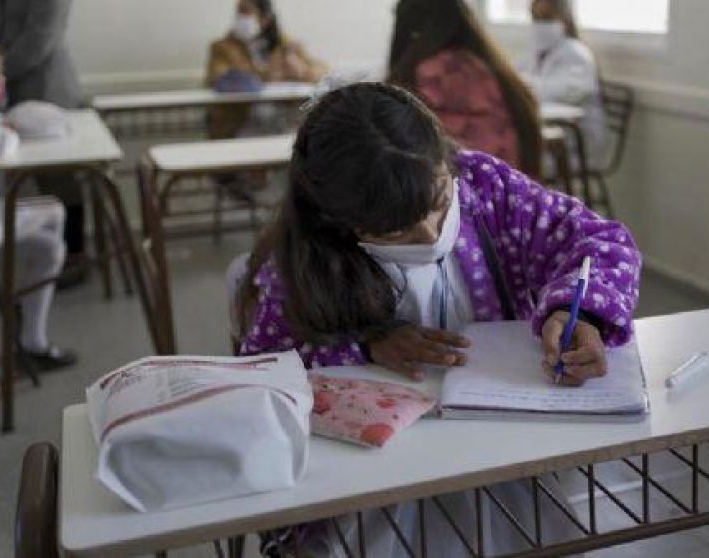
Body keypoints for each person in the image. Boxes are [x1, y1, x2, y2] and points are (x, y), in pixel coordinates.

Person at [236, 82, 640, 555]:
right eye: (398, 229)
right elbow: (263, 374)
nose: (430, 234)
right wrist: (363, 346)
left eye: (439, 202)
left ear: (447, 161)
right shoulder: (306, 261)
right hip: (371, 484)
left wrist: (578, 309)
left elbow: (602, 242)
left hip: (501, 455)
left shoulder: (488, 190)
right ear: (338, 223)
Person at [0, 32, 76, 370]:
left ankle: (30, 329)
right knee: (53, 212)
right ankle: (32, 336)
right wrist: (9, 133)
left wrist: (4, 129)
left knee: (49, 244)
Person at [0, 0, 88, 286]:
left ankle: (74, 254)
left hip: (49, 92)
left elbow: (39, 42)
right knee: (30, 179)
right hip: (11, 94)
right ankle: (47, 253)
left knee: (59, 179)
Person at [387, 0, 543, 178]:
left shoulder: (431, 73)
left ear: (410, 30)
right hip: (514, 194)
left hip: (468, 195)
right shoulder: (492, 69)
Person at [206, 0, 328, 139]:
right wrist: (266, 75)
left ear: (265, 19)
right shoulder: (222, 47)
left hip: (284, 126)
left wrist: (302, 72)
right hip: (241, 126)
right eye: (238, 12)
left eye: (245, 12)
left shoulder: (285, 44)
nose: (240, 17)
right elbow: (218, 78)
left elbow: (323, 71)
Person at [523, 0, 609, 168]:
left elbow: (561, 92)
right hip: (554, 137)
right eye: (536, 18)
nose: (541, 25)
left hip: (578, 142)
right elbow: (518, 78)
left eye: (547, 18)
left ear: (564, 19)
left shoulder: (576, 54)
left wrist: (524, 88)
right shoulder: (539, 53)